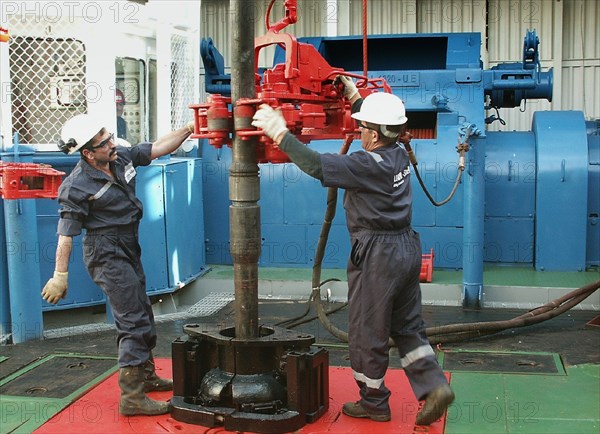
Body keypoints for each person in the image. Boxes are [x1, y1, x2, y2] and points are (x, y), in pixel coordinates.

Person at [251, 76, 454, 426]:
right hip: (407, 247)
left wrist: (278, 132)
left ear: (373, 134)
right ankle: (433, 385)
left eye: (361, 127)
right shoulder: (398, 153)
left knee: (366, 330)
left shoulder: (366, 165)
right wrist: (356, 98)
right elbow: (380, 125)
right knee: (408, 327)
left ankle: (374, 401)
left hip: (378, 255)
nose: (358, 132)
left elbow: (316, 166)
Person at [42, 114, 195, 416]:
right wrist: (60, 275)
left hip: (127, 244)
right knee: (132, 320)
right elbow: (65, 234)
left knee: (142, 310)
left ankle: (146, 376)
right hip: (105, 251)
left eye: (110, 136)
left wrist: (190, 128)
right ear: (88, 152)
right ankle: (132, 397)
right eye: (104, 142)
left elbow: (157, 147)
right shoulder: (77, 186)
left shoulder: (119, 157)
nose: (112, 143)